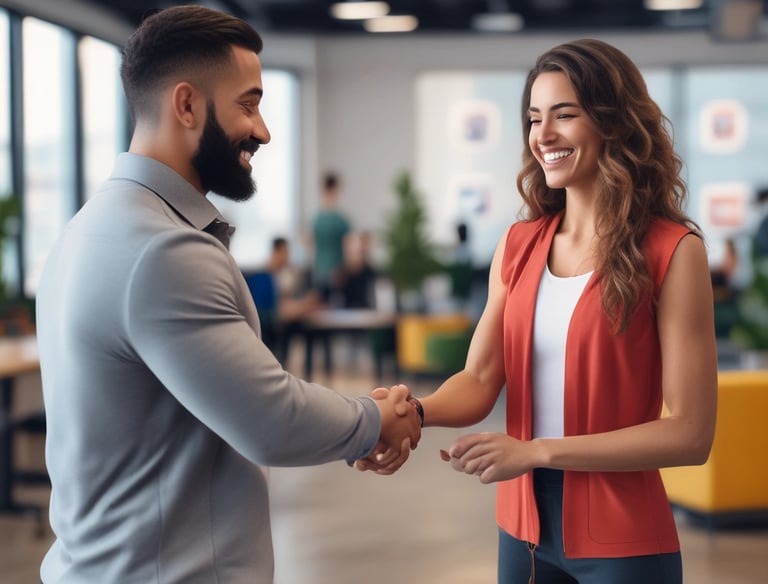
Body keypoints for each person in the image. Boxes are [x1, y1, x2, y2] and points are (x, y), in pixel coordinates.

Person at [35, 6, 419, 583]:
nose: (262, 129)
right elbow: (270, 418)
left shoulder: (88, 228)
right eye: (249, 103)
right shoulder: (160, 251)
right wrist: (374, 419)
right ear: (186, 105)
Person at [361, 39, 718, 583]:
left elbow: (691, 434)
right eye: (533, 118)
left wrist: (535, 452)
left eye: (564, 115)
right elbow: (480, 378)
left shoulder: (672, 250)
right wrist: (411, 415)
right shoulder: (519, 244)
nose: (542, 135)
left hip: (624, 542)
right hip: (522, 532)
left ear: (612, 122)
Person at [311, 171, 352, 304]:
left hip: (320, 273)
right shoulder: (340, 220)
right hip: (336, 275)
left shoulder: (316, 220)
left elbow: (311, 245)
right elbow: (349, 249)